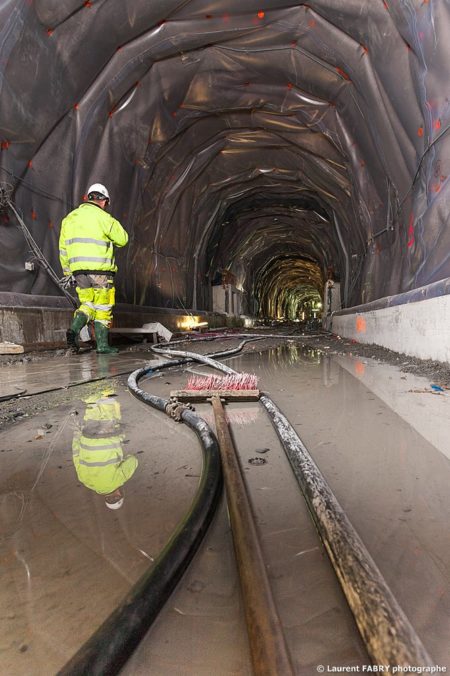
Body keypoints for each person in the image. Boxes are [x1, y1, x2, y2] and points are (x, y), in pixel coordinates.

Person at [59, 183, 128, 354]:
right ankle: (103, 346)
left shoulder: (69, 219)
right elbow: (123, 239)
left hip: (78, 272)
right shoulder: (104, 218)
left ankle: (74, 330)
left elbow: (63, 249)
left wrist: (68, 272)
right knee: (103, 307)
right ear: (104, 201)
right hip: (100, 271)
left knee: (87, 304)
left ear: (87, 198)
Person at [72, 388, 139, 510]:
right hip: (88, 436)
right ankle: (91, 397)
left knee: (109, 410)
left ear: (120, 494)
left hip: (108, 436)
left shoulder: (118, 480)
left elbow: (133, 460)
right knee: (93, 415)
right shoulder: (85, 480)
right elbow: (76, 454)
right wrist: (77, 434)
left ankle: (106, 389)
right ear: (105, 498)